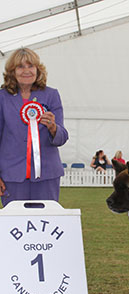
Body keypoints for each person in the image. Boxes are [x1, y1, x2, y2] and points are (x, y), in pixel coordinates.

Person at [0, 48, 68, 207]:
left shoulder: (51, 95)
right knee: (15, 226)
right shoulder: (2, 97)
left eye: (30, 66)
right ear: (12, 72)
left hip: (47, 174)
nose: (26, 71)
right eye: (20, 67)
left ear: (38, 70)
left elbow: (62, 137)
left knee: (45, 224)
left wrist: (53, 128)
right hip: (12, 175)